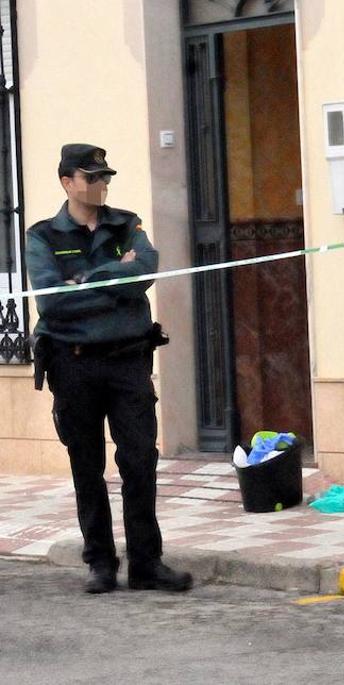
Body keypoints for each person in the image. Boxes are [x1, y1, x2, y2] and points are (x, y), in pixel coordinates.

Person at [25, 144, 193, 594]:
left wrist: (88, 280)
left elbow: (145, 272)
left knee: (140, 460)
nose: (102, 185)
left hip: (127, 361)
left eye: (105, 177)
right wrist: (114, 277)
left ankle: (146, 562)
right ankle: (100, 561)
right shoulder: (43, 236)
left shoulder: (126, 223)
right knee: (87, 465)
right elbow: (52, 301)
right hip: (73, 364)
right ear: (67, 182)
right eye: (92, 177)